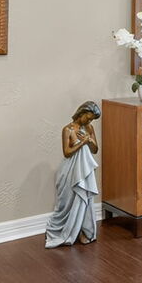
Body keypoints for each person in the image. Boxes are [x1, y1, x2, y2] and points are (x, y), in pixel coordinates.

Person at [45, 101, 100, 247]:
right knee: (67, 201)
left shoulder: (89, 128)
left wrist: (89, 140)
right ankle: (65, 229)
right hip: (70, 170)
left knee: (84, 200)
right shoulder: (67, 130)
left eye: (91, 119)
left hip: (84, 169)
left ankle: (85, 231)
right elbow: (67, 152)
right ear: (81, 113)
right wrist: (81, 143)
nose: (89, 121)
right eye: (88, 118)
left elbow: (95, 150)